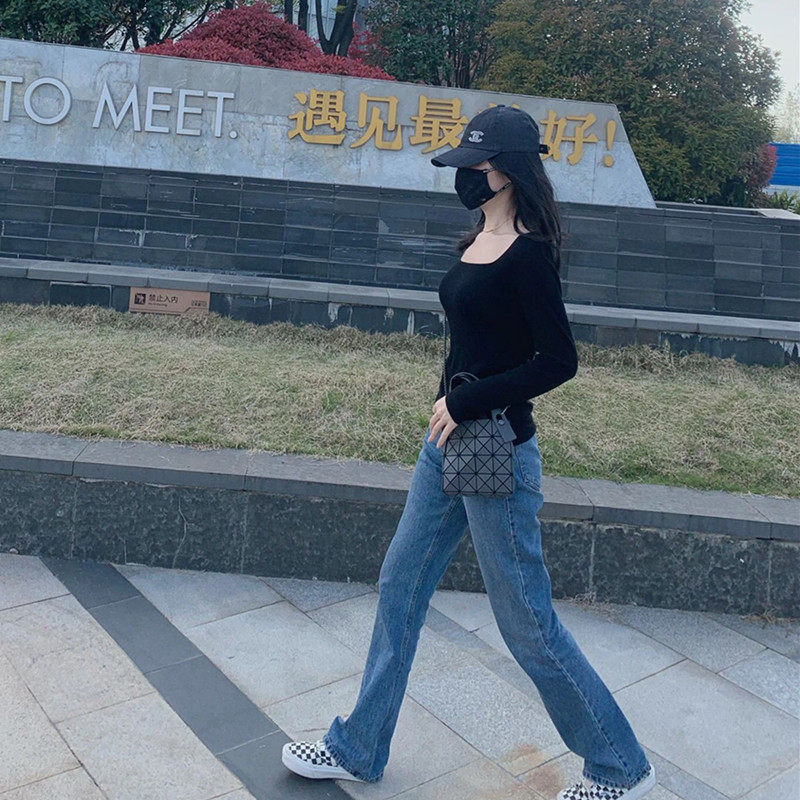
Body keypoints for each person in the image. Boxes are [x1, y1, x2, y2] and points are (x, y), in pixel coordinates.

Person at [281, 105, 657, 800]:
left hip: (498, 458)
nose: (466, 178)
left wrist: (467, 402)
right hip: (446, 450)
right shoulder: (476, 239)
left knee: (526, 624)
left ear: (507, 171)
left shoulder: (530, 255)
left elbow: (559, 361)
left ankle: (618, 765)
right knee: (400, 586)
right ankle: (358, 748)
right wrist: (448, 405)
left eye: (475, 167)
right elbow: (469, 345)